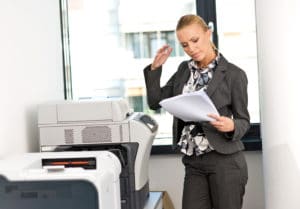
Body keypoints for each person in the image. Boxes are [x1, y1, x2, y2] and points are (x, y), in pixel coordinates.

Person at [143, 14, 250, 209]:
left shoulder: (234, 74)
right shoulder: (184, 70)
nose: (191, 48)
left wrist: (231, 125)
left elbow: (244, 120)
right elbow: (156, 102)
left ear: (208, 33)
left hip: (225, 162)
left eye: (194, 40)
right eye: (184, 45)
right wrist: (155, 68)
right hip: (194, 162)